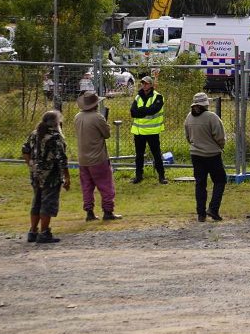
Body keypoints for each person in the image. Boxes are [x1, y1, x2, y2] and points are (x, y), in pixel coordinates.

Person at [22, 110, 70, 244]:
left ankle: (33, 231)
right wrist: (67, 177)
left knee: (36, 201)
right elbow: (61, 159)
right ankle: (44, 232)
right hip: (51, 176)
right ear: (56, 123)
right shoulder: (55, 137)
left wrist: (31, 164)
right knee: (47, 203)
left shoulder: (34, 134)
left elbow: (25, 150)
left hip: (36, 174)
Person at [73, 92, 120, 221]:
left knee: (87, 187)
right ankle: (108, 211)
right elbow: (106, 134)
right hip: (98, 158)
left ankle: (89, 212)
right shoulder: (97, 117)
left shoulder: (77, 117)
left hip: (83, 158)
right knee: (106, 186)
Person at [184, 92, 227, 222]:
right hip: (212, 155)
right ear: (206, 104)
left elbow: (187, 137)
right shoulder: (212, 117)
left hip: (196, 155)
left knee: (200, 184)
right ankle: (213, 209)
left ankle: (201, 214)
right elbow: (220, 137)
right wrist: (220, 146)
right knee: (220, 181)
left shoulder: (189, 118)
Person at [130, 75, 167, 185]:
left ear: (151, 85)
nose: (144, 85)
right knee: (139, 155)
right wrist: (144, 111)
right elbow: (133, 112)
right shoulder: (138, 96)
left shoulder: (158, 97)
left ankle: (161, 176)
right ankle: (138, 176)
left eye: (146, 83)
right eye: (143, 83)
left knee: (157, 155)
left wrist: (141, 111)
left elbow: (153, 110)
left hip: (152, 132)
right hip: (139, 131)